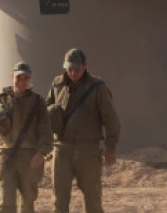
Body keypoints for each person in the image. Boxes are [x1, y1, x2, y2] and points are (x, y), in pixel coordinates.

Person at [46, 48, 121, 213]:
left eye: (77, 68)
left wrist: (111, 148)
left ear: (85, 65)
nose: (72, 72)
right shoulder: (57, 84)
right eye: (69, 68)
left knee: (92, 198)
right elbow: (45, 115)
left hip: (87, 149)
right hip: (61, 149)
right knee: (58, 200)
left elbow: (111, 120)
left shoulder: (97, 87)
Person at [0, 62, 52, 213]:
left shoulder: (37, 102)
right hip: (5, 155)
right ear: (12, 77)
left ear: (30, 79)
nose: (21, 82)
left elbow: (45, 131)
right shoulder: (0, 99)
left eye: (25, 78)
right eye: (18, 78)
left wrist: (41, 153)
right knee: (5, 202)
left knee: (27, 202)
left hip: (30, 157)